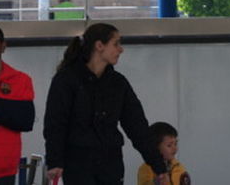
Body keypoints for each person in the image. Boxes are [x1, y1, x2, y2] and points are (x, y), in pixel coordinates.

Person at [43, 24, 169, 185]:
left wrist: (158, 166)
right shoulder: (66, 80)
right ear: (99, 46)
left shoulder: (118, 83)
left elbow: (138, 127)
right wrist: (55, 161)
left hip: (110, 165)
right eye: (116, 44)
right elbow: (55, 124)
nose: (121, 50)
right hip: (77, 165)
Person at [0, 24, 34, 185]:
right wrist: (6, 109)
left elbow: (25, 120)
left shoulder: (21, 80)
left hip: (5, 169)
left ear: (3, 46)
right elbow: (14, 115)